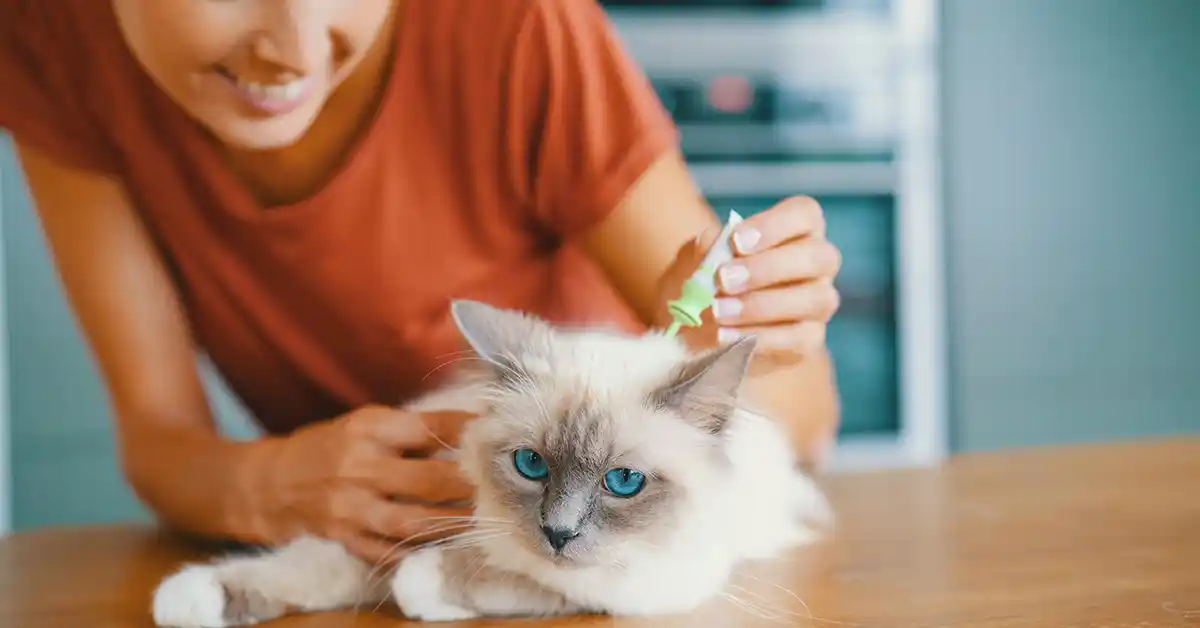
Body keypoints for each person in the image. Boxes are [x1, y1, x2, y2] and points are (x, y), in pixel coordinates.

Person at [0, 0, 842, 564]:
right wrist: (269, 486)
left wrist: (729, 345)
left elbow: (805, 422)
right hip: (365, 571)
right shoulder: (45, 37)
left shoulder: (513, 23)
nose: (294, 50)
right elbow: (157, 438)